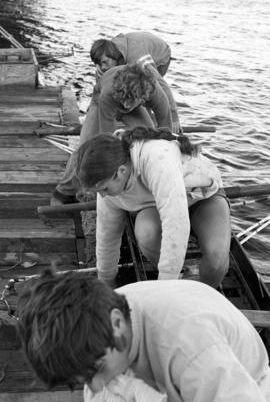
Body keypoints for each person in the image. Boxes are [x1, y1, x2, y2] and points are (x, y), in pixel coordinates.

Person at [17, 271, 270, 401]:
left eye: (96, 371)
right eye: (79, 381)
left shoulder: (192, 348)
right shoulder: (98, 319)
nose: (95, 387)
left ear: (117, 322)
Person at [76, 126, 231, 288]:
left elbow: (176, 224)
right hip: (156, 204)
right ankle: (181, 275)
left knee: (217, 259)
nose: (102, 196)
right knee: (146, 233)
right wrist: (106, 283)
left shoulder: (157, 160)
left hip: (202, 195)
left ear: (121, 171)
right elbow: (107, 237)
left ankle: (206, 293)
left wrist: (165, 287)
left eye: (104, 189)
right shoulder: (108, 180)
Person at [52, 63, 178, 205]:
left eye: (128, 102)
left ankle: (145, 185)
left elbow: (166, 130)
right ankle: (64, 191)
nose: (124, 107)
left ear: (144, 97)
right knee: (87, 147)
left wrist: (172, 150)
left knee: (149, 142)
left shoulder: (155, 93)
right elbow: (107, 141)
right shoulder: (108, 94)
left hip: (135, 107)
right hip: (101, 102)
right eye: (123, 102)